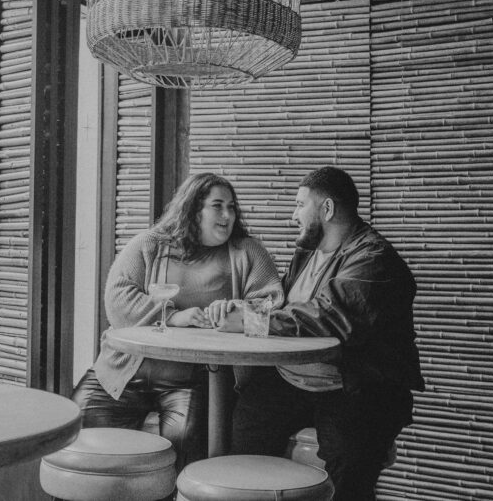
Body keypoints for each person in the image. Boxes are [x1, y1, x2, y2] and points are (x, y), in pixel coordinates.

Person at [208, 166, 423, 501]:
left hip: (351, 385)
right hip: (291, 380)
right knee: (245, 429)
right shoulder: (307, 251)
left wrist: (251, 320)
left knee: (348, 468)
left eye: (299, 205)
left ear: (327, 209)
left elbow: (330, 314)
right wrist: (243, 307)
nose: (293, 215)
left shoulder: (374, 258)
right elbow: (289, 308)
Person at [72, 172, 283, 469]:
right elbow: (117, 300)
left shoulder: (247, 251)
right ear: (193, 208)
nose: (228, 215)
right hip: (121, 372)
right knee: (79, 439)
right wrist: (173, 316)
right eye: (218, 206)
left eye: (232, 207)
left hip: (191, 382)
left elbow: (272, 304)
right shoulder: (151, 244)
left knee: (181, 454)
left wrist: (235, 309)